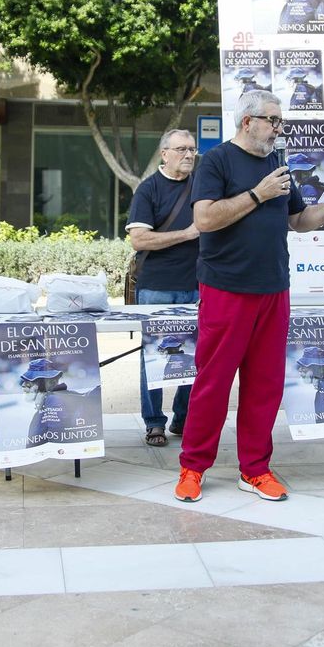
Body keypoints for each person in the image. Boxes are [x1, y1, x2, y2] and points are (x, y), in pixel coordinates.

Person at [173, 90, 324, 504]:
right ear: (247, 121)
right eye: (273, 120)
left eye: (280, 121)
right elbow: (204, 218)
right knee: (213, 382)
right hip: (225, 287)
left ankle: (255, 469)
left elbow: (298, 220)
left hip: (274, 288)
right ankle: (193, 467)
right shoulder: (217, 161)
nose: (278, 128)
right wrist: (258, 194)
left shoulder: (278, 164)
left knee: (265, 384)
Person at [124, 129, 198, 447]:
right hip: (157, 288)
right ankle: (154, 422)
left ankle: (183, 418)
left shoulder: (203, 185)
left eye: (192, 149)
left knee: (193, 357)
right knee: (154, 357)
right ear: (164, 154)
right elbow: (139, 239)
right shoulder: (149, 189)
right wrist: (187, 234)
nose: (189, 154)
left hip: (198, 285)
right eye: (181, 149)